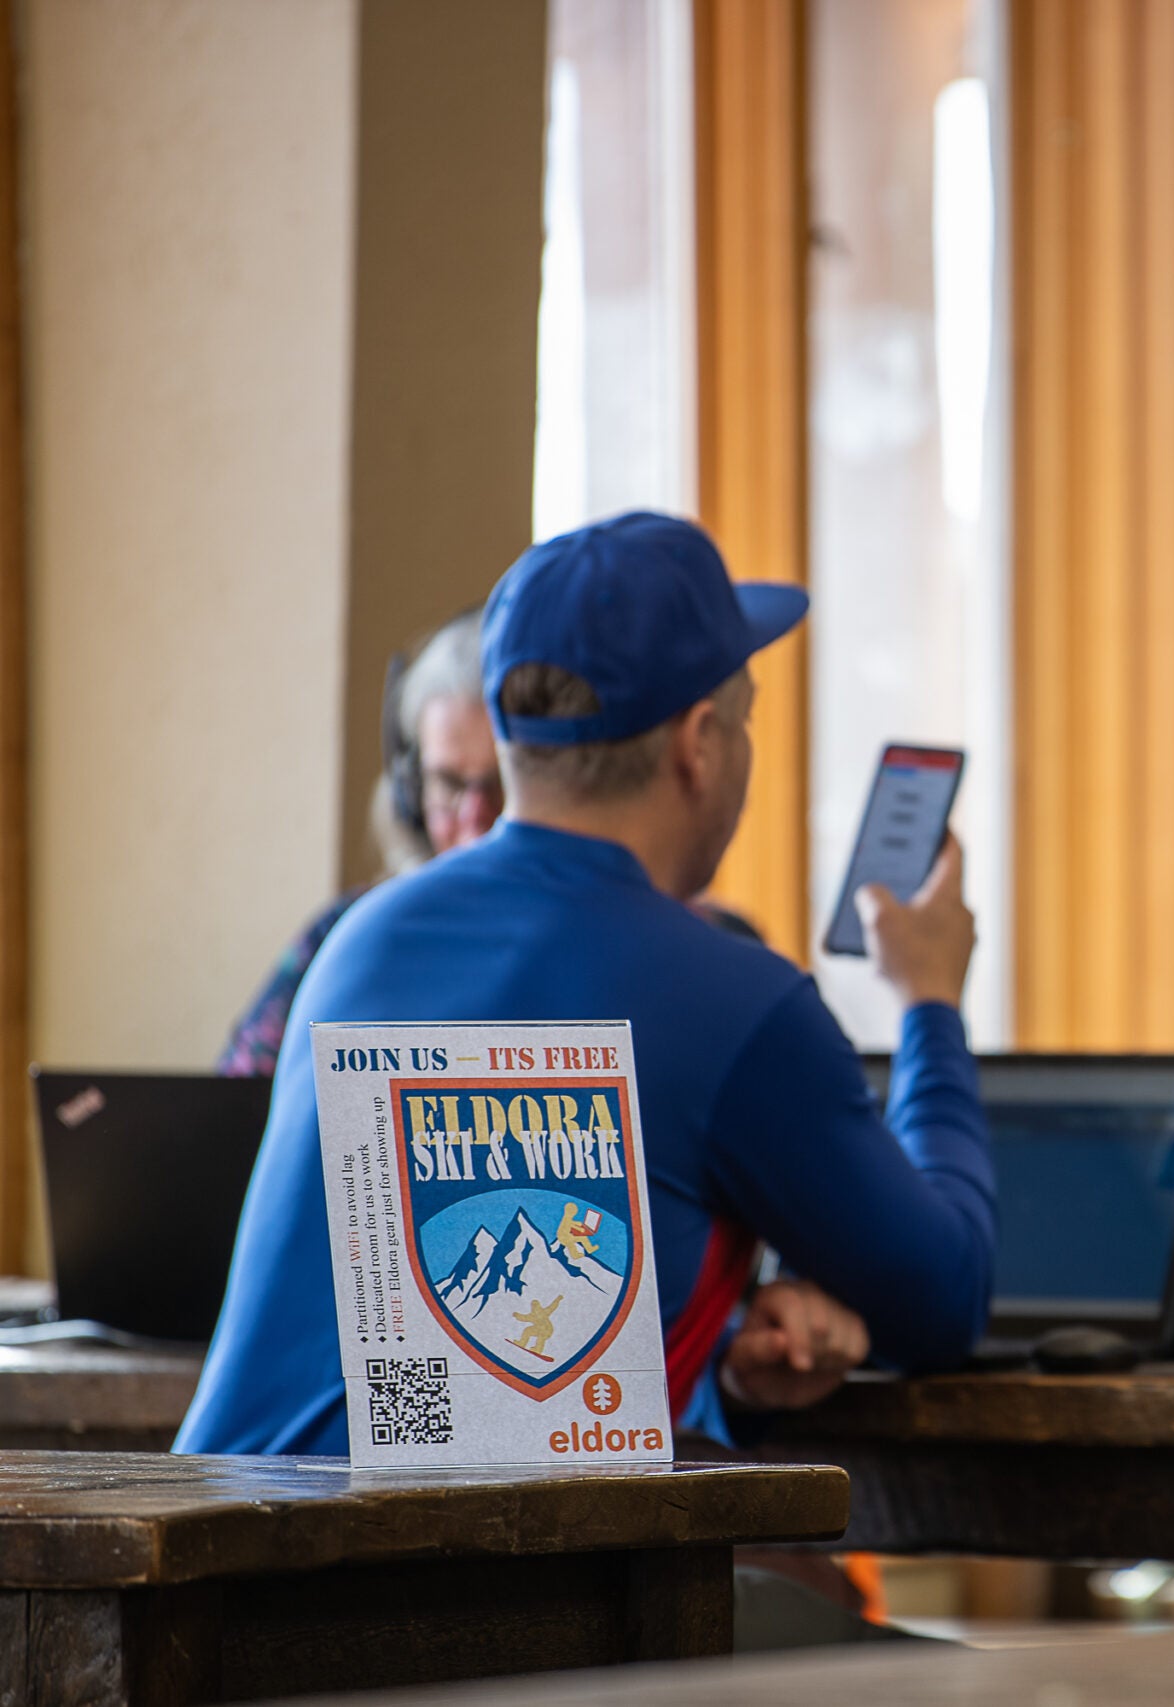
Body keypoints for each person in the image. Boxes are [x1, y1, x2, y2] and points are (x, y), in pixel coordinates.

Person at [177, 511, 996, 1454]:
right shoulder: (734, 1001)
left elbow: (459, 1395)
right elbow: (944, 1301)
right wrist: (930, 998)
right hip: (453, 1591)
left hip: (230, 1567)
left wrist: (727, 1358)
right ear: (700, 742)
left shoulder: (362, 943)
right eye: (746, 719)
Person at [216, 610, 502, 1076]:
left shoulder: (582, 948)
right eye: (449, 784)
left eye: (501, 785)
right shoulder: (347, 933)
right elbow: (231, 1100)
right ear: (410, 789)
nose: (474, 819)